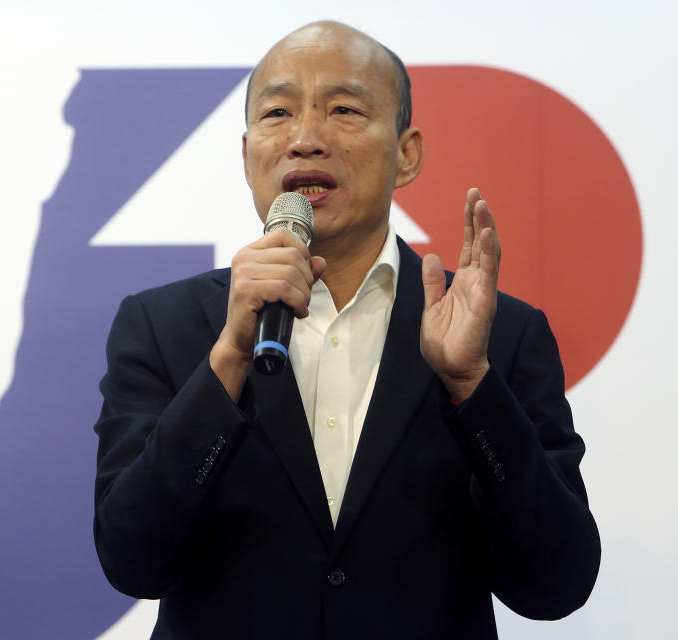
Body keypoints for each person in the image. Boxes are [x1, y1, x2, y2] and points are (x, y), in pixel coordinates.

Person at [93, 20, 600, 639]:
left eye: (344, 109)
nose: (305, 138)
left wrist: (471, 385)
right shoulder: (162, 327)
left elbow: (556, 584)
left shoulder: (499, 336)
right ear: (247, 152)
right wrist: (229, 357)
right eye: (278, 112)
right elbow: (131, 560)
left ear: (407, 153)